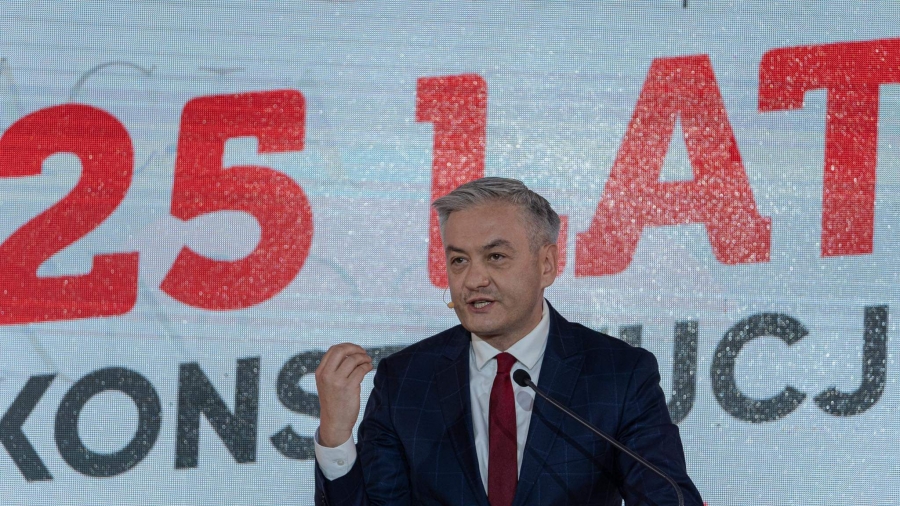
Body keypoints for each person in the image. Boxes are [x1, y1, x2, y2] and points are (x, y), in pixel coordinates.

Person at [314, 177, 703, 505]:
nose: (473, 280)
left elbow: (666, 495)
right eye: (459, 260)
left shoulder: (618, 374)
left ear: (546, 264)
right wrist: (335, 436)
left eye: (496, 257)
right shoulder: (405, 380)